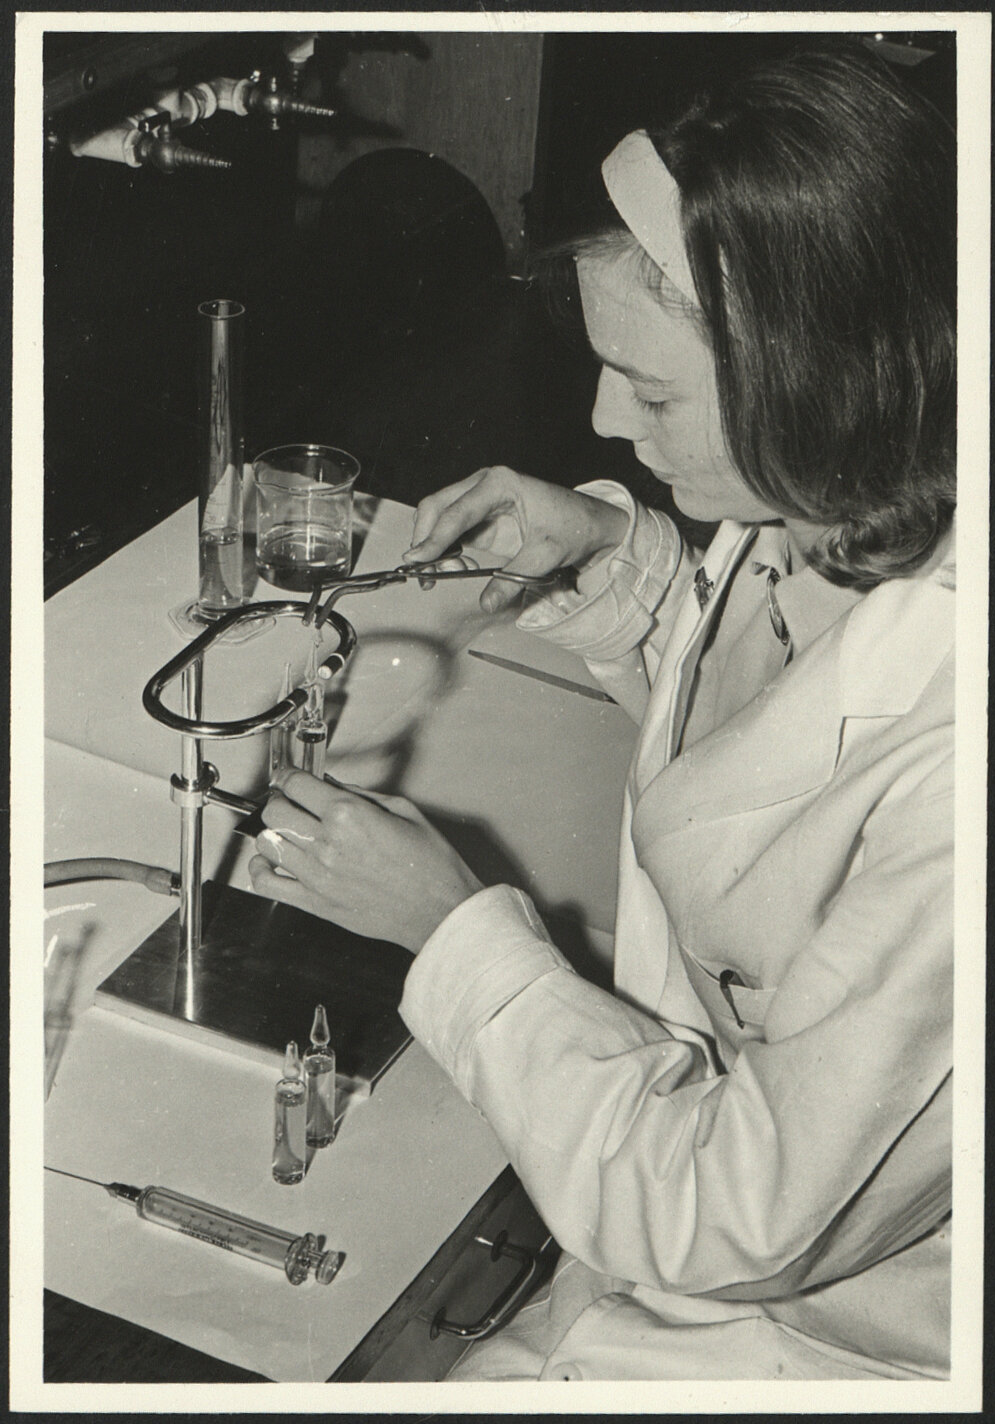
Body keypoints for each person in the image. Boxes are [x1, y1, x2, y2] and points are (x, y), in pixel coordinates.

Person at [249, 43, 955, 1381]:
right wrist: (615, 565)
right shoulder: (838, 494)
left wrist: (448, 929)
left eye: (654, 390)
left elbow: (730, 1214)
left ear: (817, 370)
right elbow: (773, 752)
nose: (599, 418)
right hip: (650, 1242)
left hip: (816, 1342)